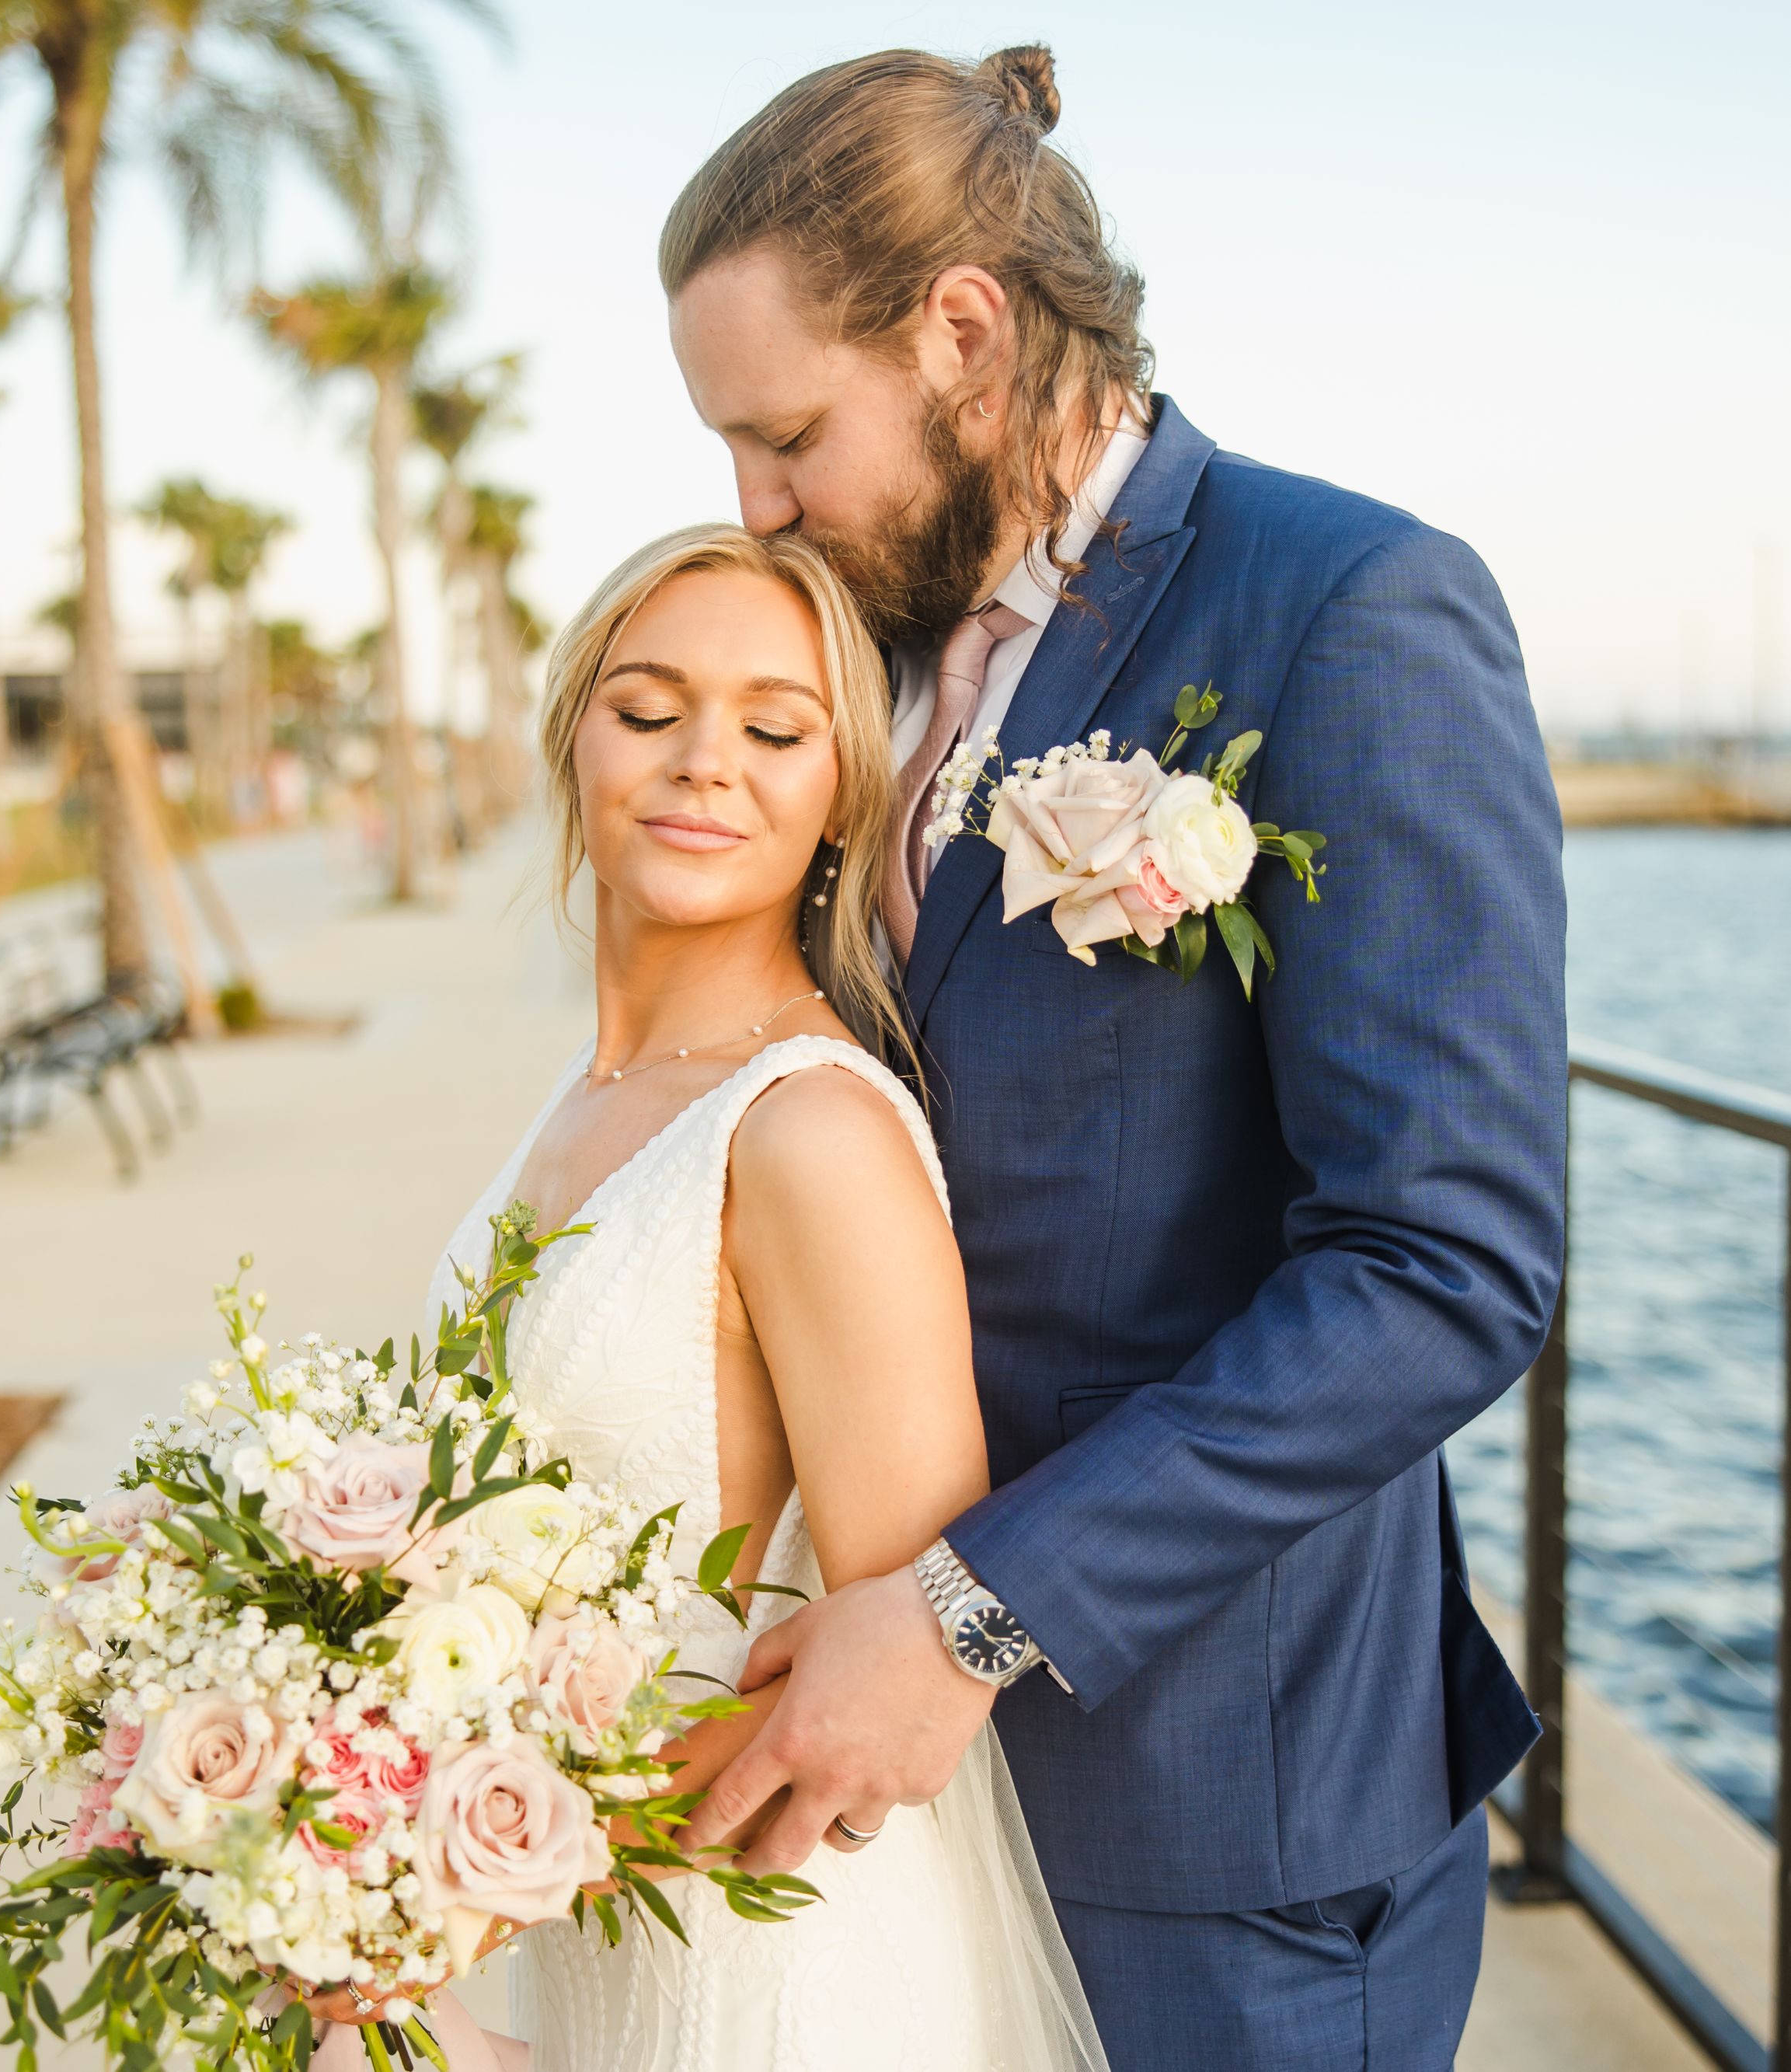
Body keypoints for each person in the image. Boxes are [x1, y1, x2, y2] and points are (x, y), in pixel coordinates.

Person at [657, 43, 1567, 2071]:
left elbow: (1446, 1264)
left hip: (1214, 1834)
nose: (754, 502)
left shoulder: (1350, 609)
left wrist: (980, 1609)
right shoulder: (857, 659)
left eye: (787, 431)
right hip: (888, 1818)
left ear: (964, 330)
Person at [413, 525, 1106, 2071]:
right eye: (648, 711)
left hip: (775, 1976)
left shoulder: (810, 1131)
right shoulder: (589, 1096)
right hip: (599, 1929)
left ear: (841, 794)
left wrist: (398, 1884)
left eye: (774, 728)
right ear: (570, 740)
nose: (703, 763)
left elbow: (882, 1726)